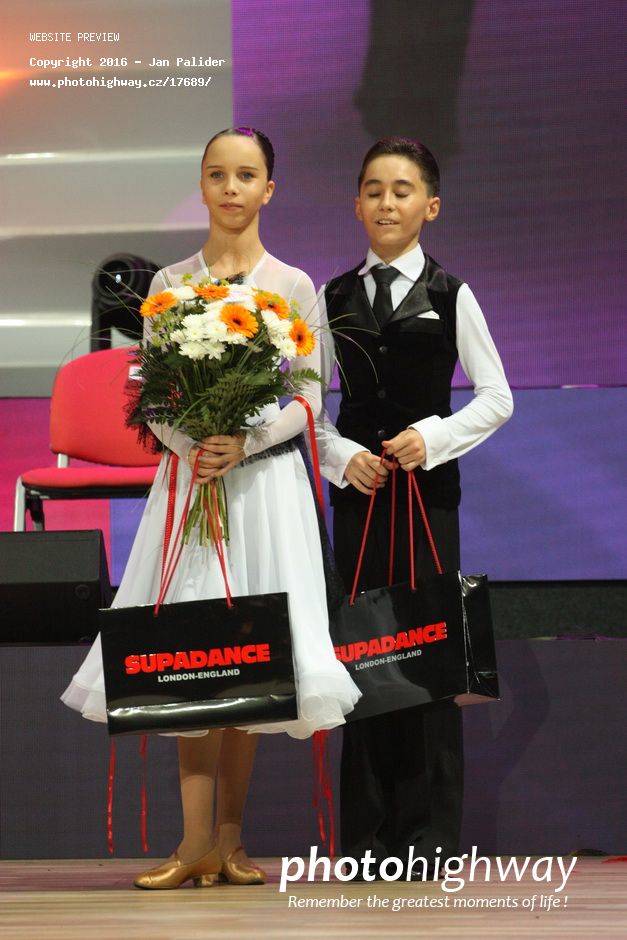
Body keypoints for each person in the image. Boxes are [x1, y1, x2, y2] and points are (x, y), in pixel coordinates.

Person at [61, 127, 360, 889]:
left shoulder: (293, 284)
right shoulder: (169, 283)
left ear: (269, 189)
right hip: (190, 483)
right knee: (191, 652)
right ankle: (191, 841)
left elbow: (308, 397)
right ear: (201, 185)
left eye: (246, 175)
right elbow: (154, 396)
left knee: (250, 655)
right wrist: (194, 443)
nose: (231, 188)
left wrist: (246, 441)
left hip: (263, 489)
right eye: (218, 174)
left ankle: (228, 842)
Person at [316, 137, 513, 875]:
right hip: (359, 500)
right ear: (356, 204)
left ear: (429, 206)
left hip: (427, 501)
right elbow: (307, 406)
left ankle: (429, 844)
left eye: (401, 191)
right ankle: (366, 844)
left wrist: (430, 438)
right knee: (362, 660)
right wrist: (341, 457)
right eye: (373, 190)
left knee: (427, 659)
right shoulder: (331, 297)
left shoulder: (451, 293)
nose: (386, 202)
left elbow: (496, 397)